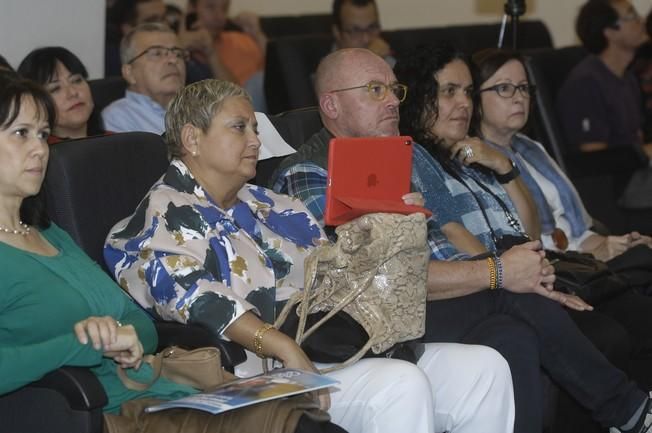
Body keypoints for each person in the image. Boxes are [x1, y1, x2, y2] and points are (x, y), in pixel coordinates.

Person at [272, 46, 652, 433]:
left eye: (393, 89)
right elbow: (377, 280)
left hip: (436, 299)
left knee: (512, 337)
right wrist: (500, 273)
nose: (391, 101)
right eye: (374, 90)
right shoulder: (310, 174)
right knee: (507, 291)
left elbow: (450, 241)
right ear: (331, 106)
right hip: (368, 318)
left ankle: (629, 412)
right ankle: (631, 412)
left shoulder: (403, 156)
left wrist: (513, 273)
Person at [104, 78, 517, 433]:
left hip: (336, 346)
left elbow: (343, 274)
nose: (255, 140)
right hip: (251, 371)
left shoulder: (276, 207)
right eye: (239, 128)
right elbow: (190, 295)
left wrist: (395, 227)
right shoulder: (158, 216)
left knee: (485, 368)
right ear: (193, 138)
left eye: (254, 127)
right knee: (401, 385)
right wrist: (282, 346)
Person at [0, 74, 347, 433]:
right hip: (117, 413)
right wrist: (80, 344)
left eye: (42, 133)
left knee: (308, 421)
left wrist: (121, 335)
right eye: (21, 133)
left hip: (168, 392)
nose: (40, 148)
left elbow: (142, 328)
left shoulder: (51, 235)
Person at [393, 41, 652, 433]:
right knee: (597, 329)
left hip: (515, 276)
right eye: (448, 92)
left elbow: (528, 234)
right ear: (418, 97)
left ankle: (632, 413)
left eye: (466, 92)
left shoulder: (471, 158)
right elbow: (453, 231)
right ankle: (632, 414)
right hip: (469, 288)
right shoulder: (415, 157)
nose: (462, 103)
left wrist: (504, 168)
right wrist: (512, 276)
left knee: (619, 312)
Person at [473, 47, 652, 260]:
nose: (519, 97)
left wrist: (617, 245)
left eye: (523, 87)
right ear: (474, 98)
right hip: (546, 269)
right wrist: (599, 254)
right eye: (504, 88)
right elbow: (524, 250)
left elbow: (579, 235)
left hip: (580, 263)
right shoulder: (477, 161)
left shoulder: (532, 149)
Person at [557, 0, 651, 158]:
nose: (641, 20)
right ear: (609, 32)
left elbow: (636, 139)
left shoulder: (628, 78)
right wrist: (645, 153)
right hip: (613, 179)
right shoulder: (585, 84)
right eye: (632, 15)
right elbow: (596, 160)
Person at [102, 22, 186, 134]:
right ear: (129, 73)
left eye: (178, 54)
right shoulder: (118, 118)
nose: (173, 60)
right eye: (157, 53)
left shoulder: (199, 108)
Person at [188, 0, 267, 110]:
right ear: (192, 10)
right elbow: (231, 97)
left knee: (259, 80)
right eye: (210, 7)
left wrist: (258, 35)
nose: (219, 16)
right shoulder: (185, 52)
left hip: (256, 108)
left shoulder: (243, 40)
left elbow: (279, 73)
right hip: (232, 110)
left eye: (224, 8)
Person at [18, 46, 106, 144]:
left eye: (76, 80)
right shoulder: (38, 154)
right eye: (55, 88)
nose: (73, 93)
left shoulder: (118, 142)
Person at [331, 0, 394, 66]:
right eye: (356, 31)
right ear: (337, 32)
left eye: (371, 27)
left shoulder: (389, 57)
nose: (366, 39)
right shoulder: (322, 65)